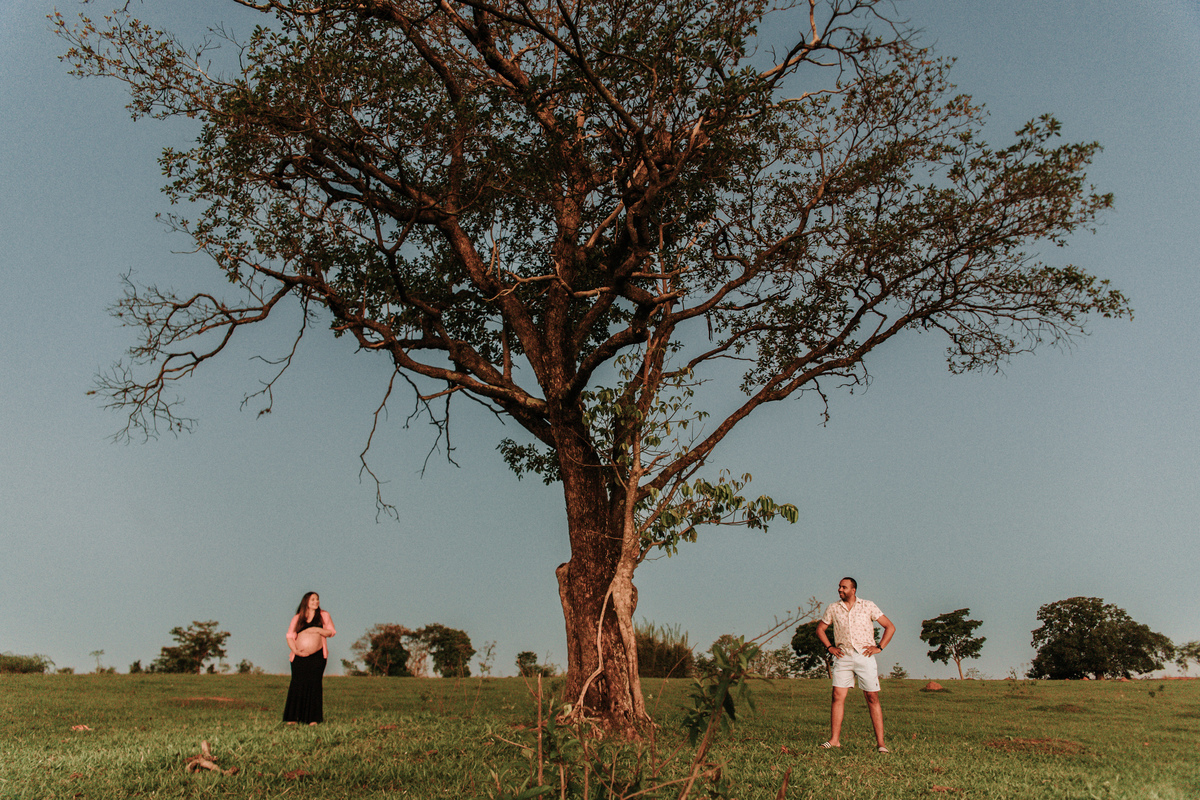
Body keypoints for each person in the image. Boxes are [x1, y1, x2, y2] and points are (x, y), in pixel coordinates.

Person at [815, 577, 896, 752]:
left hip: (864, 656)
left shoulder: (868, 605)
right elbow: (820, 629)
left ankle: (881, 744)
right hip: (843, 656)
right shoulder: (833, 608)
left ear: (853, 590)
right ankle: (834, 740)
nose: (839, 590)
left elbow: (890, 627)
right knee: (837, 696)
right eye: (839, 587)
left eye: (844, 587)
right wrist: (830, 647)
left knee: (872, 697)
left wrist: (879, 647)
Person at [283, 591, 336, 725]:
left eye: (317, 599)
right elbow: (289, 636)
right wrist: (295, 650)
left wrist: (317, 630)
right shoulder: (298, 618)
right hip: (299, 656)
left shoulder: (324, 615)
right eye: (313, 600)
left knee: (314, 684)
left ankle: (313, 719)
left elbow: (331, 632)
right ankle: (292, 718)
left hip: (318, 656)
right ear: (306, 601)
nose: (316, 602)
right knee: (297, 684)